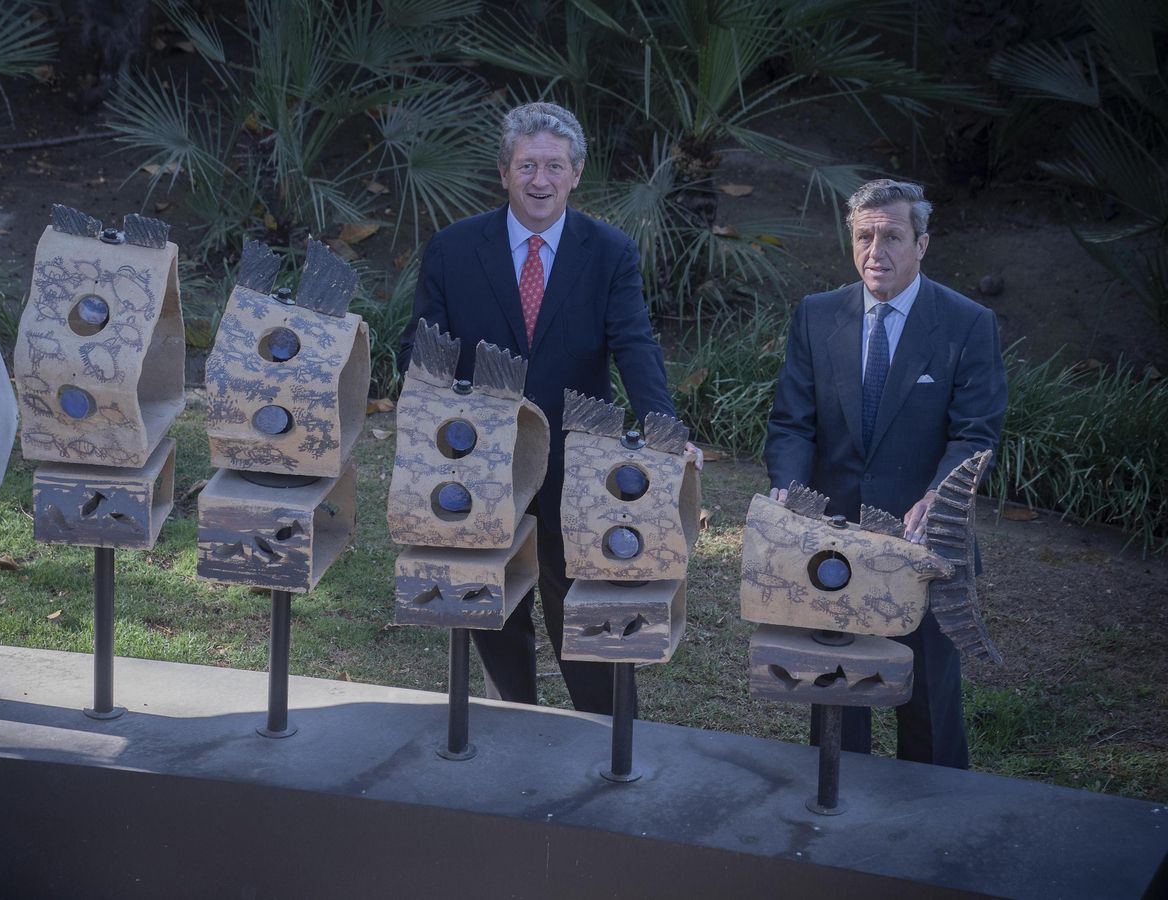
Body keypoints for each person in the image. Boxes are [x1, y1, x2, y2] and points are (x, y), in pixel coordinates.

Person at [397, 102, 693, 715]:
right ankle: (512, 719)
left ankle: (605, 734)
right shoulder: (454, 249)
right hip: (480, 463)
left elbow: (634, 345)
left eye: (553, 166)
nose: (540, 180)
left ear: (576, 173)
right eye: (527, 165)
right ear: (504, 171)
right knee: (490, 599)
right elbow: (421, 348)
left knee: (583, 602)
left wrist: (663, 429)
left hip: (576, 461)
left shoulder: (609, 252)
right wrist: (435, 427)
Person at [763, 178, 1007, 767]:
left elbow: (974, 433)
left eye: (893, 236)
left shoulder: (966, 323)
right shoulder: (818, 316)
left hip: (925, 541)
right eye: (865, 236)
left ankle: (933, 824)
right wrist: (789, 488)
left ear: (922, 244)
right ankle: (838, 812)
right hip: (833, 541)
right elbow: (792, 422)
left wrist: (938, 497)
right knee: (838, 693)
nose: (877, 251)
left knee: (926, 701)